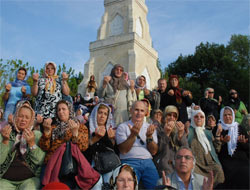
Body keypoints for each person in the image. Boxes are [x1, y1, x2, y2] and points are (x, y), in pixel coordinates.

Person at [0, 102, 45, 189]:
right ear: (15, 117)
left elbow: (40, 161)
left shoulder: (37, 135)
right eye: (20, 116)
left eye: (27, 117)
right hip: (5, 180)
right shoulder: (5, 133)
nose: (23, 119)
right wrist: (5, 141)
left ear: (31, 120)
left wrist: (32, 144)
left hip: (29, 179)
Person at [115, 101, 159, 189]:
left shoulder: (150, 127)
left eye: (142, 111)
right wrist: (133, 135)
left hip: (147, 161)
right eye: (136, 110)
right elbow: (123, 150)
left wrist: (149, 137)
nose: (139, 113)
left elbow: (154, 151)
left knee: (156, 186)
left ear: (146, 113)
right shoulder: (122, 127)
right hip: (129, 161)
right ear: (131, 111)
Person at [187, 106, 224, 187]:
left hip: (210, 163)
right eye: (196, 116)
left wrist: (217, 136)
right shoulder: (189, 130)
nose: (199, 118)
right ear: (193, 118)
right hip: (197, 164)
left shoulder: (208, 132)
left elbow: (217, 150)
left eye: (202, 116)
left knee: (219, 171)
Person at [217, 106, 249, 189]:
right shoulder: (218, 129)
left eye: (229, 114)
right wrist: (223, 143)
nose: (227, 117)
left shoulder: (240, 128)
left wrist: (243, 143)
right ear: (221, 116)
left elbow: (248, 147)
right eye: (225, 115)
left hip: (242, 160)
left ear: (233, 116)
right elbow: (215, 150)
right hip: (226, 161)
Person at [85, 103, 117, 183]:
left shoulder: (110, 130)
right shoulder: (86, 127)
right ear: (95, 113)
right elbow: (84, 149)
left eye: (105, 114)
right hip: (91, 162)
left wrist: (112, 139)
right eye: (100, 113)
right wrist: (96, 138)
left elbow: (113, 150)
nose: (102, 116)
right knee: (96, 185)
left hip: (107, 162)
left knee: (108, 183)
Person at [154, 105, 188, 177]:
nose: (172, 118)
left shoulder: (179, 129)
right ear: (164, 116)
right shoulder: (158, 128)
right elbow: (158, 149)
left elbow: (185, 148)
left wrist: (181, 135)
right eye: (169, 115)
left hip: (178, 160)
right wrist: (166, 134)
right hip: (163, 160)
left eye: (174, 116)